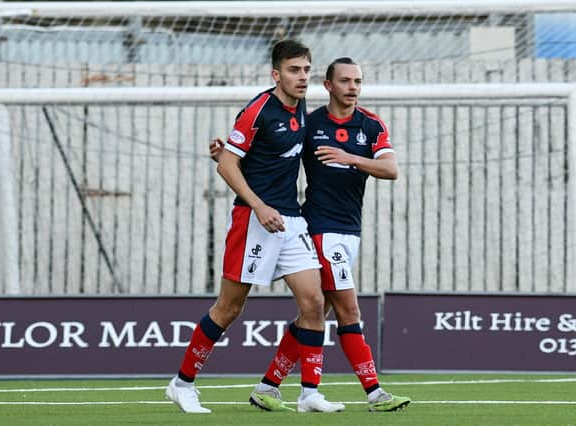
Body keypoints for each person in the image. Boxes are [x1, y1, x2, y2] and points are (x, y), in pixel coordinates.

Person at [211, 57, 411, 412]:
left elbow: (391, 169)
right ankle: (373, 393)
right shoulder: (310, 122)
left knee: (317, 312)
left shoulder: (371, 124)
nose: (353, 87)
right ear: (329, 85)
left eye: (358, 81)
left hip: (350, 230)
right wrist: (224, 156)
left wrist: (351, 158)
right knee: (347, 310)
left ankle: (268, 386)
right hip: (319, 228)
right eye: (346, 81)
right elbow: (273, 153)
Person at [165, 39, 345, 414]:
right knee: (229, 308)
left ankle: (309, 393)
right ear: (275, 74)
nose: (302, 77)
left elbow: (247, 158)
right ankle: (182, 384)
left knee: (314, 301)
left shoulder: (301, 107)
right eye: (294, 70)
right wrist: (258, 204)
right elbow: (226, 164)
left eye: (307, 70)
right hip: (254, 219)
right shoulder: (258, 109)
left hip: (290, 219)